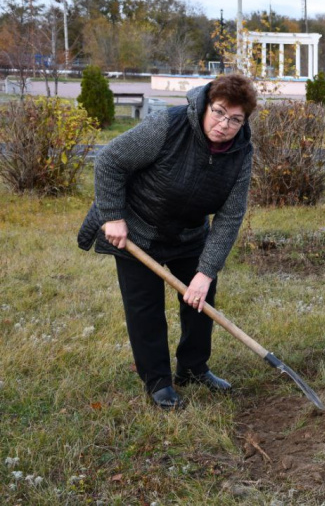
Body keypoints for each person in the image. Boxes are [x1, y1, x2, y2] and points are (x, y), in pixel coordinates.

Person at [77, 73, 257, 410]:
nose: (224, 125)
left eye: (235, 119)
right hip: (138, 230)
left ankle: (193, 368)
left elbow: (230, 216)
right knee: (145, 309)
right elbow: (109, 160)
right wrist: (113, 215)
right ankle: (158, 382)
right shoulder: (168, 126)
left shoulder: (241, 153)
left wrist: (205, 273)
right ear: (205, 106)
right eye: (219, 112)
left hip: (189, 234)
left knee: (200, 303)